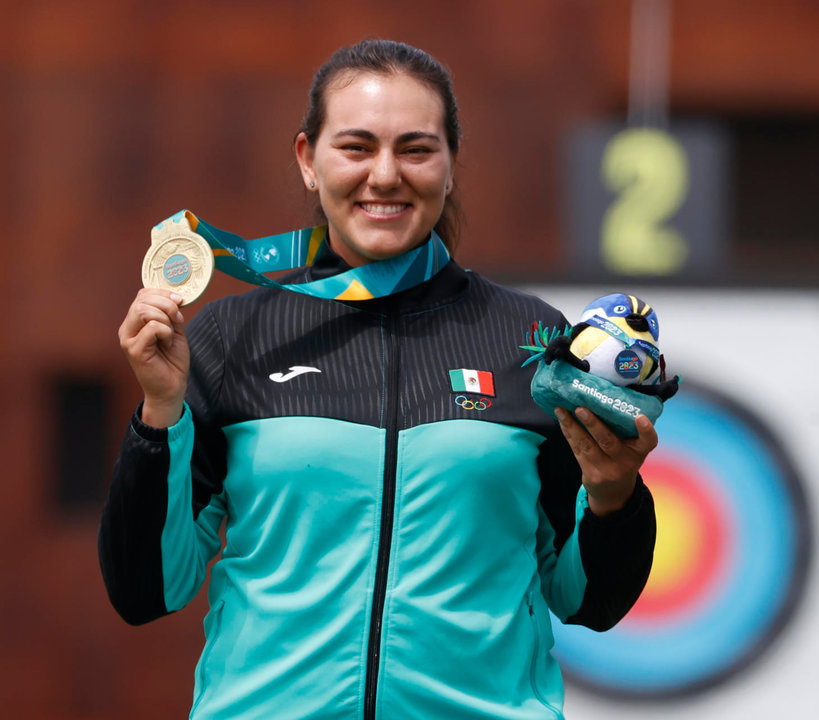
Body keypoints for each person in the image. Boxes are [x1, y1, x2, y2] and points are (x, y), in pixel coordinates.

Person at [99, 39, 657, 720]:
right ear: (308, 160)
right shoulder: (229, 339)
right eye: (357, 148)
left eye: (417, 150)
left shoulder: (531, 340)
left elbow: (590, 601)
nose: (386, 175)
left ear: (451, 165)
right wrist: (160, 410)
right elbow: (146, 590)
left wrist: (613, 495)